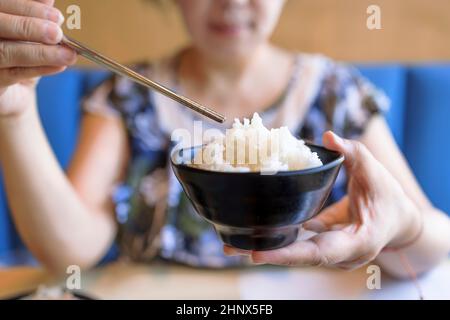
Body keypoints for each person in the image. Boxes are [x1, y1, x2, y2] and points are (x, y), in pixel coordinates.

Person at [0, 0, 449, 278]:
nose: (232, 1)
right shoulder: (126, 96)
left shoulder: (338, 94)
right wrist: (16, 111)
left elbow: (434, 244)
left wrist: (403, 227)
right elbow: (71, 250)